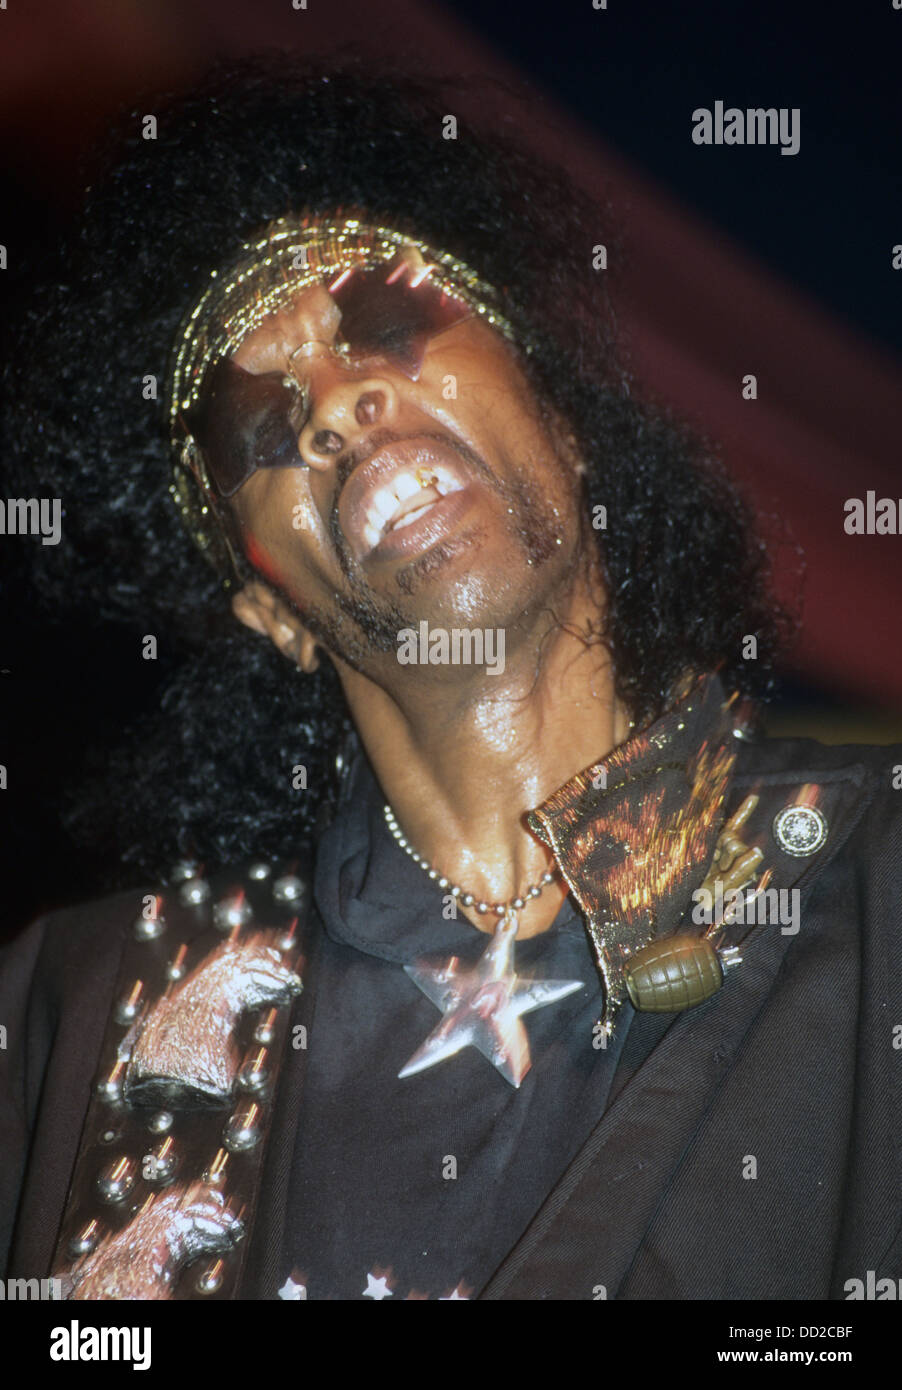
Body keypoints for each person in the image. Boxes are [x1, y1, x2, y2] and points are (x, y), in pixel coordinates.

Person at [1, 55, 899, 1302]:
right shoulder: (80, 1009)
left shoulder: (875, 866)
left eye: (386, 332)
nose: (337, 406)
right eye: (265, 429)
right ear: (270, 610)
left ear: (564, 425)